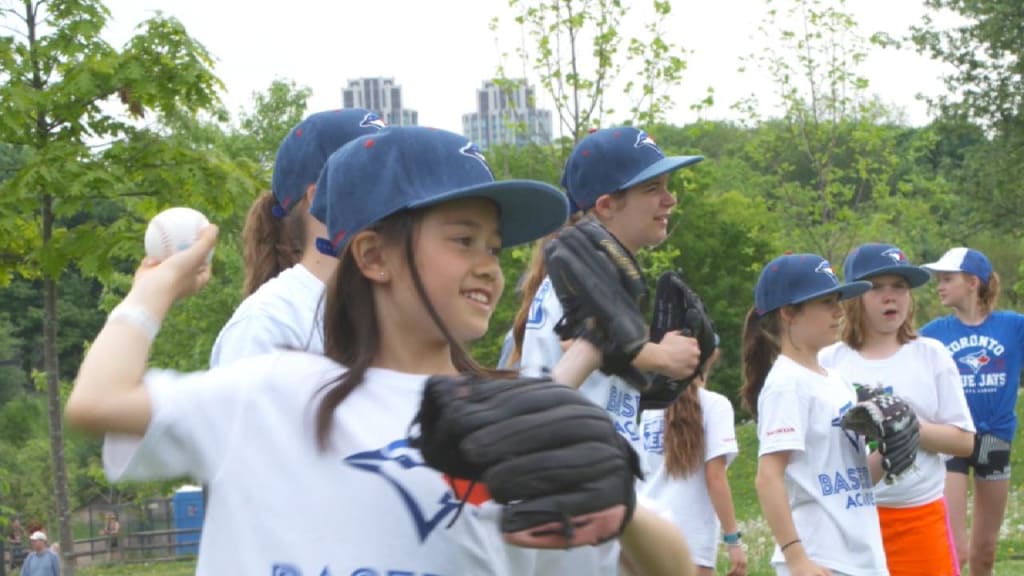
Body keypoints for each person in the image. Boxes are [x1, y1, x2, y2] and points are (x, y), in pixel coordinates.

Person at [66, 126, 694, 575]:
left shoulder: (514, 414)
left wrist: (622, 501)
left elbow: (666, 566)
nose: (488, 266)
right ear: (372, 256)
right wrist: (153, 290)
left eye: (493, 246)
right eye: (462, 238)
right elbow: (97, 403)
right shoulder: (270, 392)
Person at [515, 126, 705, 449]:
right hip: (575, 473)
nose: (670, 199)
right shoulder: (583, 273)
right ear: (606, 206)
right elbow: (581, 341)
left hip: (593, 471)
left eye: (667, 187)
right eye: (652, 188)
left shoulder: (594, 270)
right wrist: (663, 356)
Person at [819, 243, 974, 576]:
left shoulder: (931, 355)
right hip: (851, 520)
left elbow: (964, 441)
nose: (891, 296)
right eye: (876, 288)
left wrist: (911, 427)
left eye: (900, 287)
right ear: (852, 298)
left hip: (918, 516)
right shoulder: (829, 361)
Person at [740, 253, 888, 576]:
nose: (839, 311)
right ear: (789, 312)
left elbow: (855, 476)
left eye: (838, 299)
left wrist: (888, 454)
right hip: (821, 557)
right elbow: (768, 477)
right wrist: (797, 559)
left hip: (861, 554)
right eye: (825, 302)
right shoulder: (787, 383)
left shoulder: (836, 380)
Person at [209, 108, 386, 366]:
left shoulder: (396, 310)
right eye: (378, 178)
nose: (397, 191)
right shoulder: (270, 323)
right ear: (323, 198)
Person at [919, 247, 1024, 576]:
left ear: (973, 282)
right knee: (955, 549)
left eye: (947, 279)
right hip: (951, 439)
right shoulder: (933, 333)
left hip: (994, 440)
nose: (939, 285)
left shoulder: (1013, 327)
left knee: (984, 553)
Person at [637, 343, 748, 576]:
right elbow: (715, 477)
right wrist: (733, 542)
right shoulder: (716, 405)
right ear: (709, 360)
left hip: (645, 535)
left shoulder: (649, 411)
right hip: (690, 539)